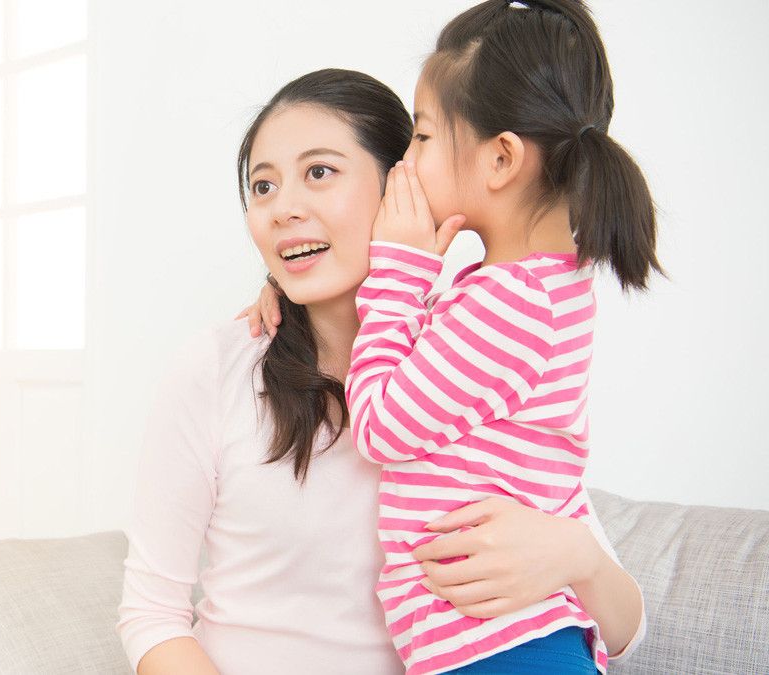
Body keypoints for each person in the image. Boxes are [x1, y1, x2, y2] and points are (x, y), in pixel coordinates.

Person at [118, 66, 644, 675]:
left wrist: (579, 557)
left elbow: (628, 631)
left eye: (319, 173)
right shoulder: (218, 369)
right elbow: (151, 613)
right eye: (262, 187)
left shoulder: (474, 351)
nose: (283, 208)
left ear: (404, 183)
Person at [238, 1, 657, 672]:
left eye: (424, 137)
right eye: (263, 185)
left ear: (499, 160)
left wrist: (401, 272)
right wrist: (287, 289)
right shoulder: (522, 293)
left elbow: (379, 425)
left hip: (510, 650)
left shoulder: (512, 305)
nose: (408, 163)